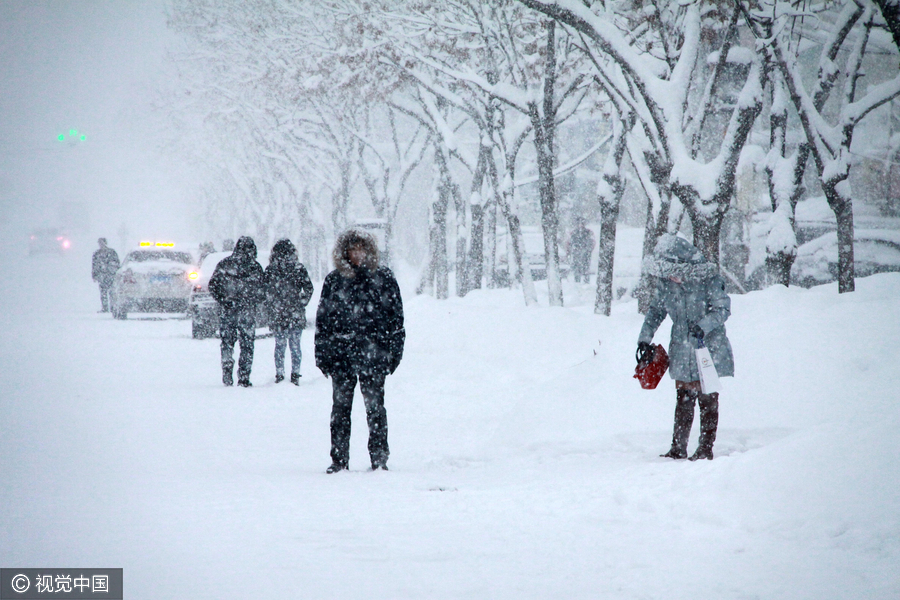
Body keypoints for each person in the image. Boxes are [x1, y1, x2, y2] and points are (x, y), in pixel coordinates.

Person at [636, 233, 734, 461]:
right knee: (684, 397)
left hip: (707, 347)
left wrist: (703, 326)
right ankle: (678, 447)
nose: (670, 276)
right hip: (681, 346)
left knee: (707, 398)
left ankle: (705, 448)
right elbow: (655, 311)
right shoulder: (666, 284)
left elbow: (722, 309)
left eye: (673, 271)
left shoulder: (709, 280)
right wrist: (644, 339)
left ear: (684, 266)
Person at [315, 229, 405, 473]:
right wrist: (322, 354)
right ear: (344, 252)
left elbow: (396, 320)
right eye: (352, 249)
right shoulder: (334, 280)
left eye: (361, 249)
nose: (357, 254)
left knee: (375, 409)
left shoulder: (384, 278)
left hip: (374, 354)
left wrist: (394, 352)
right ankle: (339, 460)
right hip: (341, 355)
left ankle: (379, 459)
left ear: (369, 251)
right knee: (340, 410)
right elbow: (323, 320)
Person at [209, 236, 265, 387]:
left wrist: (223, 300)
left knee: (227, 343)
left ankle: (227, 373)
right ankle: (244, 377)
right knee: (247, 345)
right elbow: (263, 290)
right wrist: (253, 300)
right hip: (247, 311)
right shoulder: (255, 267)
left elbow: (213, 285)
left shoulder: (225, 264)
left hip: (228, 310)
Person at [265, 239, 314, 385]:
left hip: (278, 313)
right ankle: (295, 374)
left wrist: (272, 304)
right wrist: (301, 302)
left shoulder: (271, 269)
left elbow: (264, 290)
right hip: (295, 312)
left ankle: (280, 374)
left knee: (280, 345)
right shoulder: (299, 268)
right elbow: (309, 288)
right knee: (295, 345)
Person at [91, 238, 120, 312]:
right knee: (103, 293)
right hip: (102, 277)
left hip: (111, 276)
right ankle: (105, 308)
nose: (101, 244)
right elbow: (94, 265)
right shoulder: (96, 254)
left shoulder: (112, 252)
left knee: (112, 292)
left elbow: (117, 263)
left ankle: (113, 307)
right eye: (99, 243)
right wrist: (94, 275)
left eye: (102, 242)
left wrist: (115, 272)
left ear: (105, 243)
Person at [567, 218, 595, 283]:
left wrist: (589, 250)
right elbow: (569, 243)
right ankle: (577, 281)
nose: (580, 225)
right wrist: (571, 250)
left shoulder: (588, 232)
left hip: (585, 253)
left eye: (582, 223)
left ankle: (586, 281)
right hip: (576, 253)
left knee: (586, 267)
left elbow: (592, 242)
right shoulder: (574, 232)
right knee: (577, 267)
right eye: (579, 223)